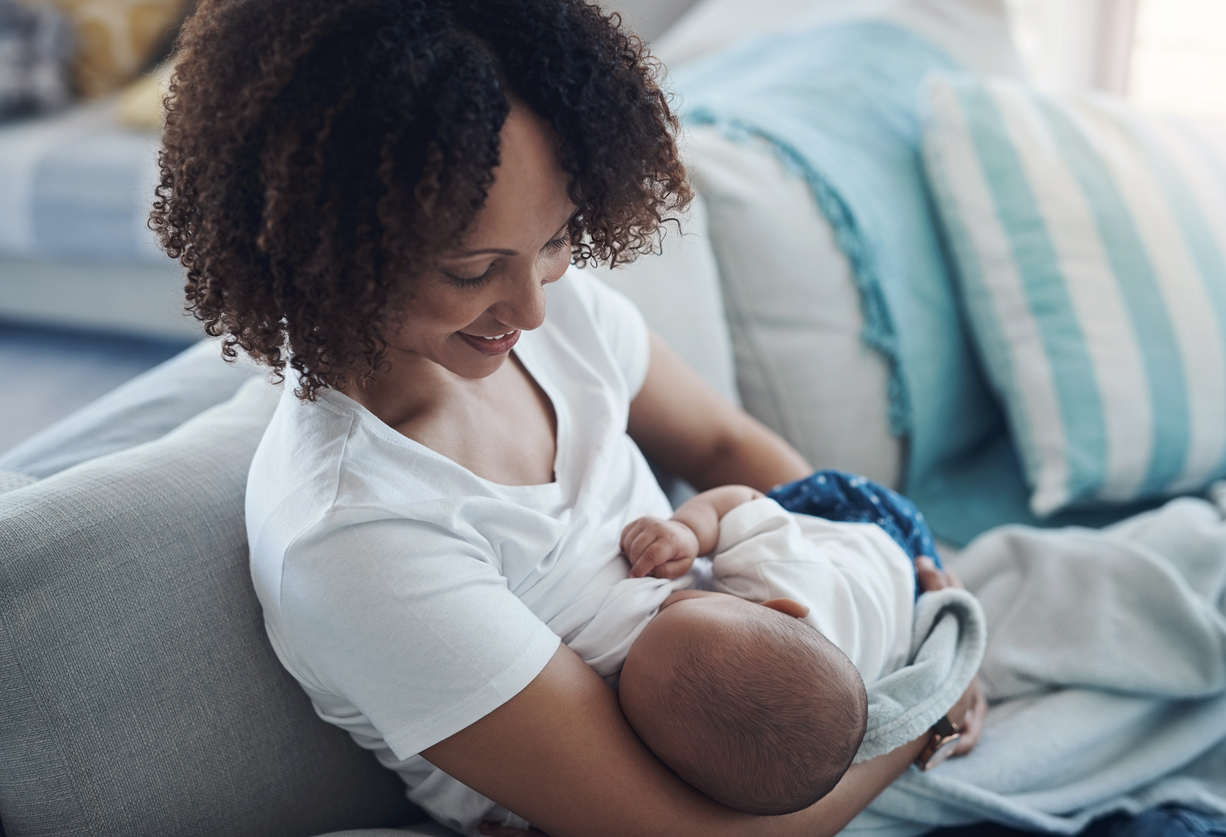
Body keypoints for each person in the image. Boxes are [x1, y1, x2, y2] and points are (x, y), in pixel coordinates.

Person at [150, 1, 985, 835]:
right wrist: (927, 698)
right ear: (326, 248)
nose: (533, 311)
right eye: (473, 270)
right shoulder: (355, 536)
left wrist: (889, 574)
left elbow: (723, 442)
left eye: (554, 241)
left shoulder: (558, 316)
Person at [613, 473, 972, 819]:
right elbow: (741, 502)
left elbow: (743, 499)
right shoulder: (769, 569)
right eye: (678, 603)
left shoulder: (832, 712)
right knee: (770, 511)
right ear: (778, 607)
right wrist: (691, 532)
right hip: (892, 542)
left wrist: (687, 532)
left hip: (883, 585)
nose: (662, 601)